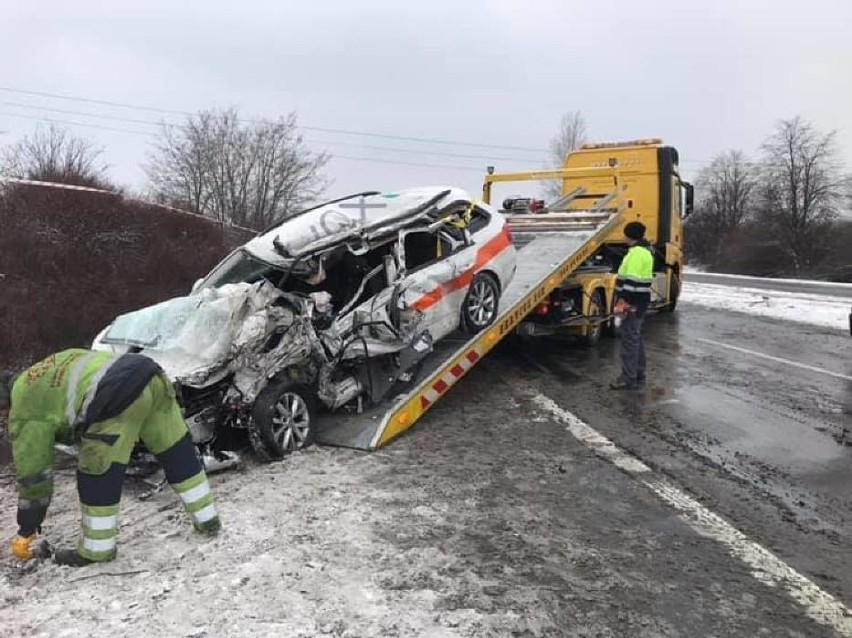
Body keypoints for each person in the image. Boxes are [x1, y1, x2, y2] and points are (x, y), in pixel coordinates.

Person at [0, 349, 221, 567]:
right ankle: (208, 521)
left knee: (96, 473)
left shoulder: (25, 405)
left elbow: (34, 475)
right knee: (177, 455)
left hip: (114, 395)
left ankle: (97, 551)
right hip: (150, 375)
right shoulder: (45, 367)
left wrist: (27, 527)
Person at [610, 221, 654, 390]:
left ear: (630, 235)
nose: (623, 236)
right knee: (635, 338)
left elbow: (631, 281)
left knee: (629, 340)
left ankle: (629, 377)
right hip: (639, 300)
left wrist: (622, 301)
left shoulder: (636, 253)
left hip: (633, 302)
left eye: (625, 233)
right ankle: (638, 374)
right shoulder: (645, 251)